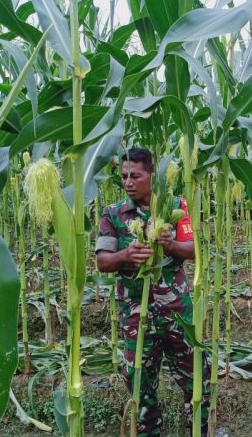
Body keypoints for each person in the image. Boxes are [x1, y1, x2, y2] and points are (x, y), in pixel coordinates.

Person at [95, 147, 210, 436]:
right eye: (124, 176)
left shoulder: (177, 207)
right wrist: (125, 255)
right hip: (136, 316)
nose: (128, 182)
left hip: (177, 313)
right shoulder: (113, 214)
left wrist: (170, 245)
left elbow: (196, 250)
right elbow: (102, 261)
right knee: (138, 380)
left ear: (152, 175)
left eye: (135, 175)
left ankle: (199, 427)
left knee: (197, 375)